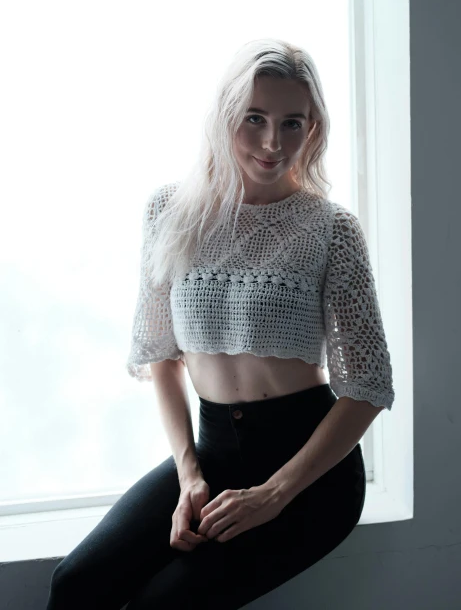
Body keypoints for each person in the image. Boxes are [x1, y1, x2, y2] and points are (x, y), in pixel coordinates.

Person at [46, 38, 395, 609]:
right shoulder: (170, 213)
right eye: (254, 118)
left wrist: (275, 495)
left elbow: (367, 388)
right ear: (224, 117)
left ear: (314, 128)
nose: (271, 142)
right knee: (76, 584)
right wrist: (188, 476)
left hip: (310, 475)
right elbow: (161, 355)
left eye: (292, 123)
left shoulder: (331, 230)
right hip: (210, 454)